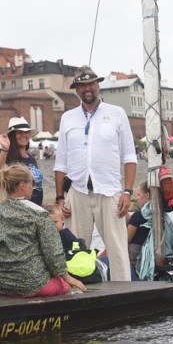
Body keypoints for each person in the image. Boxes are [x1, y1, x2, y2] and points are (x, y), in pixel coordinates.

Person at [54, 66, 137, 281]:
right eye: (82, 86)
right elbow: (60, 162)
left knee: (117, 249)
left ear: (97, 85)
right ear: (76, 90)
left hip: (109, 191)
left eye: (90, 84)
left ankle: (123, 292)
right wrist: (60, 197)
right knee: (73, 249)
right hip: (77, 192)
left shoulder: (116, 114)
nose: (87, 89)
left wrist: (127, 192)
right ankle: (78, 290)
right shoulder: (67, 118)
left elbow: (129, 156)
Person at [0, 164, 86, 297]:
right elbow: (53, 252)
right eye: (32, 183)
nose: (33, 186)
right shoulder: (39, 214)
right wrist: (67, 278)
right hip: (33, 284)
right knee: (64, 287)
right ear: (22, 185)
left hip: (0, 284)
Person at [0, 116, 44, 206]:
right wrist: (5, 150)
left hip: (36, 209)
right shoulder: (9, 158)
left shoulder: (31, 158)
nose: (24, 135)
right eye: (19, 132)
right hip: (19, 209)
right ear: (13, 136)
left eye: (26, 132)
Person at [127, 182, 152, 279]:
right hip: (150, 256)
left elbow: (126, 240)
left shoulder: (138, 215)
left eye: (138, 195)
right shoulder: (159, 214)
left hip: (134, 258)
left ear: (147, 195)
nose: (136, 198)